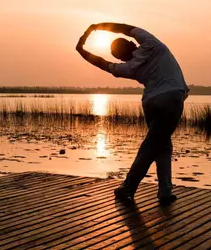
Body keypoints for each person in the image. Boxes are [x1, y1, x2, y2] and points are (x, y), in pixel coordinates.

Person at [76, 23, 189, 205]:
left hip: (151, 101)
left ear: (121, 58)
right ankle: (128, 188)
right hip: (171, 98)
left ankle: (165, 191)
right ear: (132, 43)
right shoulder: (152, 44)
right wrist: (97, 27)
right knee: (152, 146)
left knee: (162, 145)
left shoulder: (129, 68)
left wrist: (81, 50)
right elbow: (126, 28)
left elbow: (103, 64)